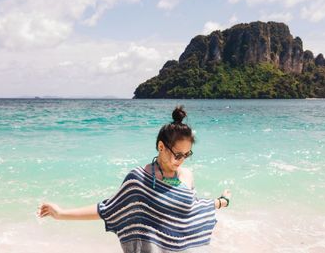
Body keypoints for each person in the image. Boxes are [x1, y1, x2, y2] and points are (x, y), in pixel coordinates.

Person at [38, 106, 231, 252]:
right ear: (161, 147)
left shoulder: (187, 176)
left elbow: (191, 208)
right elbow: (108, 209)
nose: (181, 160)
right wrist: (61, 213)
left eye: (187, 155)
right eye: (177, 154)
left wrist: (222, 201)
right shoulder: (138, 179)